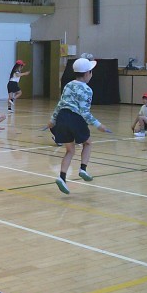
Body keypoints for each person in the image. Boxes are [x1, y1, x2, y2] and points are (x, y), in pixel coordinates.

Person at [48, 58, 111, 195]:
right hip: (75, 118)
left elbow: (60, 104)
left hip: (62, 117)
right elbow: (84, 112)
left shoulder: (68, 85)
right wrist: (98, 125)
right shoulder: (87, 90)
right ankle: (83, 169)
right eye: (91, 71)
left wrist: (52, 119)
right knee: (87, 143)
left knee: (70, 150)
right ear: (87, 73)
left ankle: (62, 177)